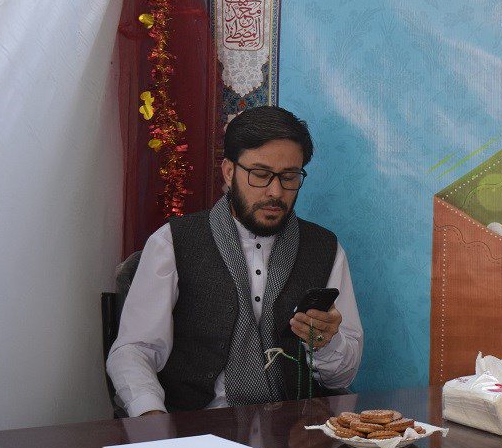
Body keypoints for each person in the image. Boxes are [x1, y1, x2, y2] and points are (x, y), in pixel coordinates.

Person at [107, 106, 363, 416]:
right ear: (229, 172)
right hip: (197, 424)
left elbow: (342, 378)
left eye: (289, 177)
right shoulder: (172, 242)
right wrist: (151, 416)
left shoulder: (325, 248)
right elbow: (134, 350)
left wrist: (325, 342)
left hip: (295, 430)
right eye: (260, 175)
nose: (275, 191)